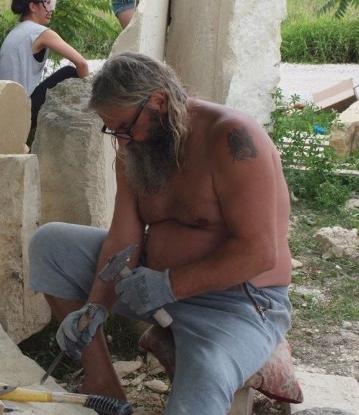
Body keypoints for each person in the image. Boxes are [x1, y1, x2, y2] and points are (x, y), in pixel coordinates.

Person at [28, 52, 293, 415]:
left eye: (124, 127)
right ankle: (104, 385)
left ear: (158, 103)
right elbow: (124, 239)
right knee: (51, 244)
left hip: (236, 302)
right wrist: (95, 307)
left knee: (205, 376)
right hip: (153, 283)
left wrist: (170, 285)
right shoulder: (136, 147)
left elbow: (260, 253)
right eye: (112, 130)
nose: (120, 141)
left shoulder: (232, 138)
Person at [0, 0, 89, 133]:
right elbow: (82, 64)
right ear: (33, 6)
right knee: (69, 72)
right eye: (47, 3)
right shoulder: (40, 33)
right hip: (20, 113)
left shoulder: (17, 30)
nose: (51, 9)